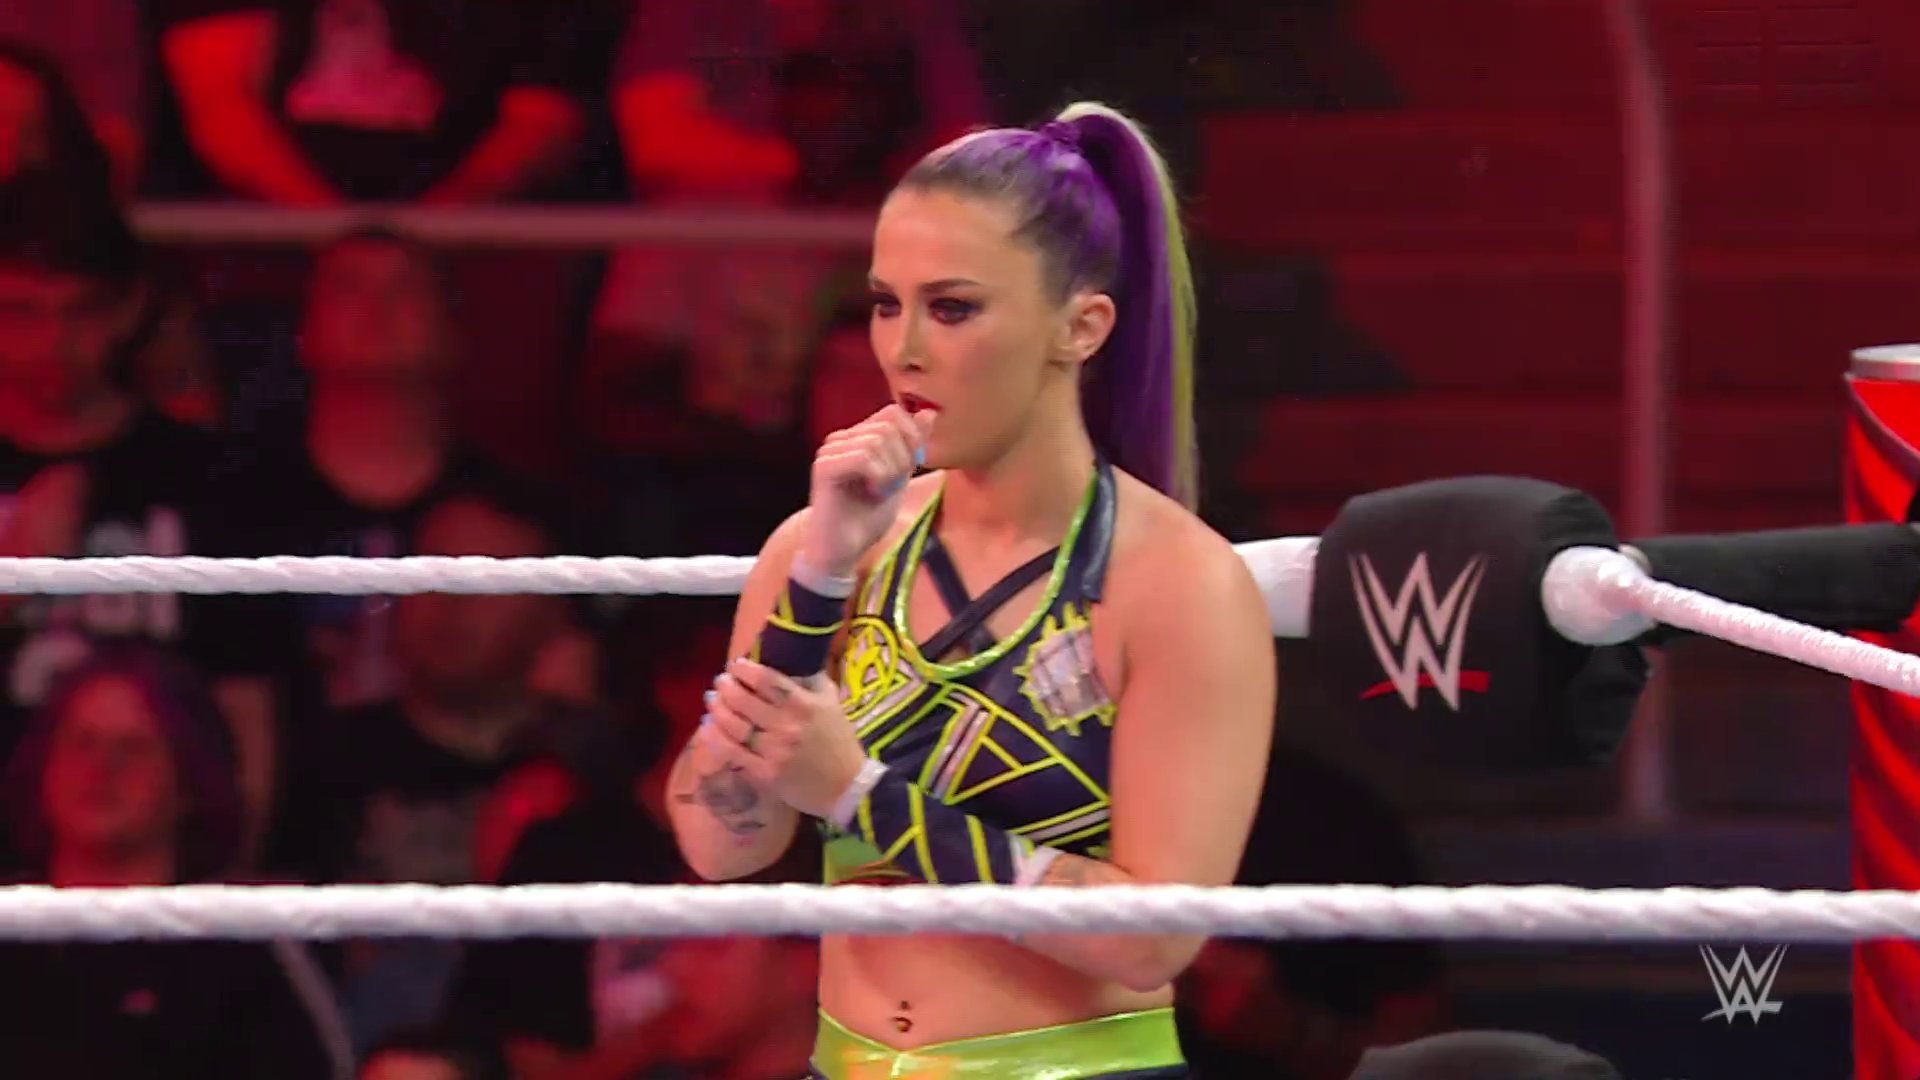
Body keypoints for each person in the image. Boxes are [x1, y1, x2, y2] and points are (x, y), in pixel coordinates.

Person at [665, 102, 1276, 1079]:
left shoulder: (1178, 583)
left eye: (951, 308)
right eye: (885, 304)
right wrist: (817, 580)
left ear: (1080, 327)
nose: (902, 350)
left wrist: (858, 794)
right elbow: (718, 843)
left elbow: (1154, 939)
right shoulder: (825, 548)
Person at [0, 645, 351, 1079]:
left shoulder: (246, 948)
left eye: (134, 747)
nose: (101, 767)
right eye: (81, 742)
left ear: (187, 784)